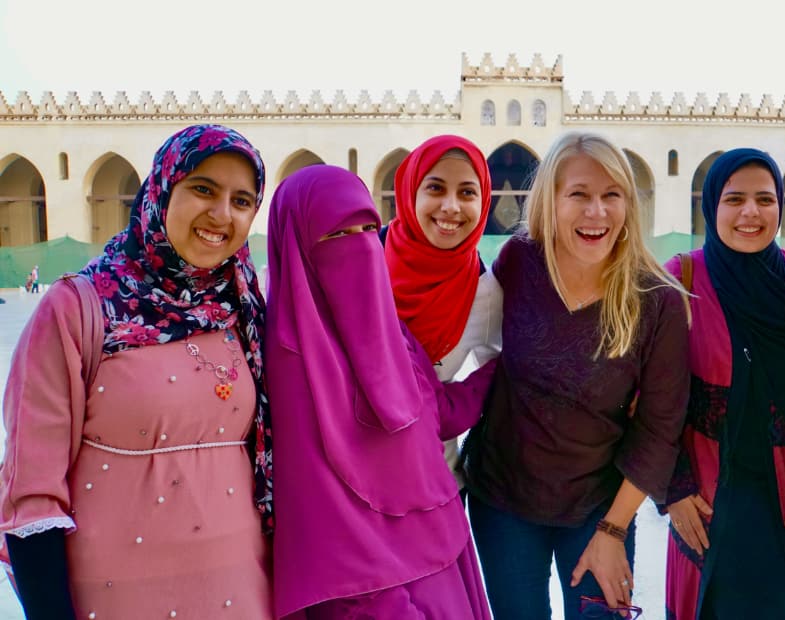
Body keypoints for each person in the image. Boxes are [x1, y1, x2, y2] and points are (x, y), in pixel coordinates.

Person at [0, 124, 273, 619]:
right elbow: (30, 492)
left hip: (242, 592)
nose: (221, 214)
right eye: (203, 189)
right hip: (112, 595)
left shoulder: (245, 311)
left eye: (242, 200)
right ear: (162, 189)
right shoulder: (79, 309)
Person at [462, 131, 690, 619]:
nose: (597, 212)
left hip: (598, 505)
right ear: (551, 200)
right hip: (503, 498)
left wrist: (612, 531)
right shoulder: (521, 261)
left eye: (612, 195)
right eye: (579, 195)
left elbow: (660, 428)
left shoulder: (657, 300)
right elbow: (465, 337)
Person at [265, 165, 496, 619]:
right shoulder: (290, 362)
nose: (360, 247)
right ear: (297, 247)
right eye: (337, 235)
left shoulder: (391, 331)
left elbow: (437, 414)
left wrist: (511, 369)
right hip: (371, 594)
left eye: (369, 229)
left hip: (440, 558)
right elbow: (321, 517)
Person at [662, 149, 785, 620]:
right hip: (709, 505)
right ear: (712, 205)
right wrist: (673, 490)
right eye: (734, 199)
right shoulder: (681, 280)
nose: (750, 213)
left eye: (764, 199)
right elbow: (648, 397)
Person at [383, 135, 502, 495]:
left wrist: (446, 410)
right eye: (435, 188)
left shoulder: (486, 291)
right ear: (409, 192)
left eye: (467, 192)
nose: (451, 207)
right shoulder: (361, 264)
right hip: (354, 484)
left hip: (435, 484)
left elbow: (498, 374)